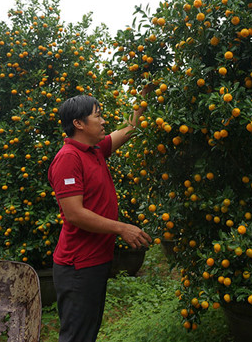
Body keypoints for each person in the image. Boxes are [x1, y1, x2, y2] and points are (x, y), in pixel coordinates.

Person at [48, 92, 152, 342]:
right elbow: (74, 213)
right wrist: (122, 228)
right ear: (79, 123)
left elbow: (129, 128)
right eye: (98, 116)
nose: (104, 121)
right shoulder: (68, 158)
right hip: (78, 265)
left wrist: (143, 100)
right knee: (76, 335)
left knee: (88, 331)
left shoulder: (94, 150)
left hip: (94, 261)